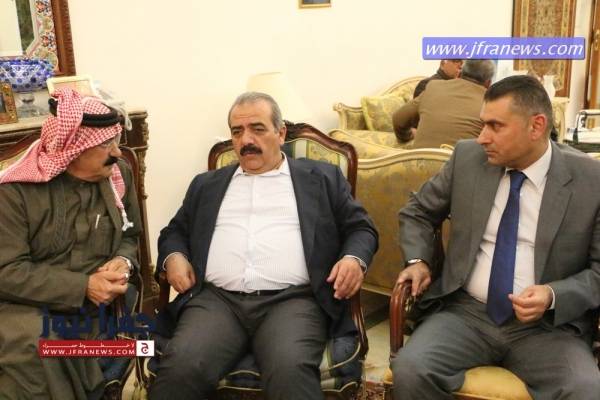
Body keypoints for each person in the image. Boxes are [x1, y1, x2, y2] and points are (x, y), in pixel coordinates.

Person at [149, 92, 378, 400]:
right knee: (181, 367)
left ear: (280, 133)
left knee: (289, 371)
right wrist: (175, 256)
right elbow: (175, 231)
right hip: (217, 302)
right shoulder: (207, 185)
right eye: (237, 132)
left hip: (293, 302)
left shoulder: (321, 178)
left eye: (257, 129)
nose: (246, 140)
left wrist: (352, 259)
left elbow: (361, 228)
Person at [391, 75, 600, 399]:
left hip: (548, 327)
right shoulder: (468, 158)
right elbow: (418, 211)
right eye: (482, 124)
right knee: (411, 368)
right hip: (466, 314)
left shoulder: (590, 180)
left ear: (536, 126)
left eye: (495, 126)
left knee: (585, 389)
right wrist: (418, 260)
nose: (482, 137)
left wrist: (553, 295)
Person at [0, 88, 141, 399]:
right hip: (26, 305)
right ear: (73, 146)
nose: (117, 152)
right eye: (106, 144)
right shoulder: (15, 192)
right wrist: (82, 286)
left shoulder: (118, 176)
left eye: (116, 140)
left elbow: (130, 236)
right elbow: (7, 271)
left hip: (99, 308)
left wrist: (123, 261)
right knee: (39, 346)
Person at [393, 59, 495, 149]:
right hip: (462, 163)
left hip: (420, 161)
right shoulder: (491, 102)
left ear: (460, 73)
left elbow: (398, 119)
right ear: (488, 83)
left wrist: (407, 137)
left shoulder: (433, 87)